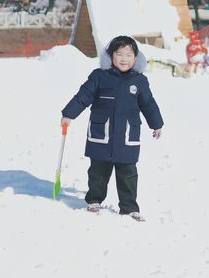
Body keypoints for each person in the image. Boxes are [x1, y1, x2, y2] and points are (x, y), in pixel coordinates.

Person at [61, 35, 164, 221]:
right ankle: (94, 199)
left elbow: (148, 104)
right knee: (98, 171)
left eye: (129, 55)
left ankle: (129, 207)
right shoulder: (99, 76)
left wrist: (156, 124)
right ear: (110, 56)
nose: (124, 59)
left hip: (126, 135)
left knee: (128, 174)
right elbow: (83, 96)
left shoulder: (139, 81)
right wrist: (69, 114)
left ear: (136, 58)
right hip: (103, 133)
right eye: (119, 54)